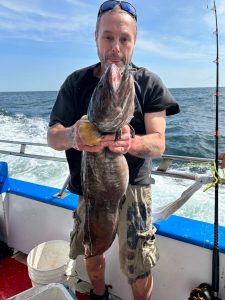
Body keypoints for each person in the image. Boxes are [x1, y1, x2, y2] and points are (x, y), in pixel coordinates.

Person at [47, 1, 180, 299]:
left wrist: (130, 143)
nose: (116, 47)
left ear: (134, 41)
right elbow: (52, 137)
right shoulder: (75, 83)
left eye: (124, 39)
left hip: (134, 189)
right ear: (95, 36)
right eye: (108, 37)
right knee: (92, 253)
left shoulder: (149, 83)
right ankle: (99, 294)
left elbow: (158, 142)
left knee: (139, 266)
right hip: (91, 190)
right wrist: (72, 135)